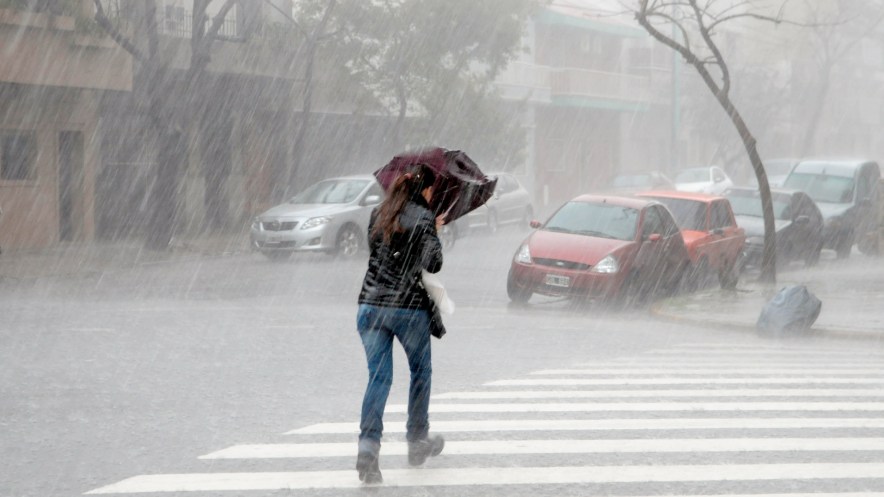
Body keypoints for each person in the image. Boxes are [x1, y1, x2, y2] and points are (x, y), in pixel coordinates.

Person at [355, 163, 446, 484]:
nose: (432, 195)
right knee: (420, 372)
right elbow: (433, 262)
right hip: (407, 309)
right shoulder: (423, 218)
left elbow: (379, 252)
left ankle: (367, 449)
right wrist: (433, 229)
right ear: (425, 189)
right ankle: (417, 441)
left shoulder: (377, 213)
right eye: (432, 190)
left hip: (369, 306)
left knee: (378, 380)